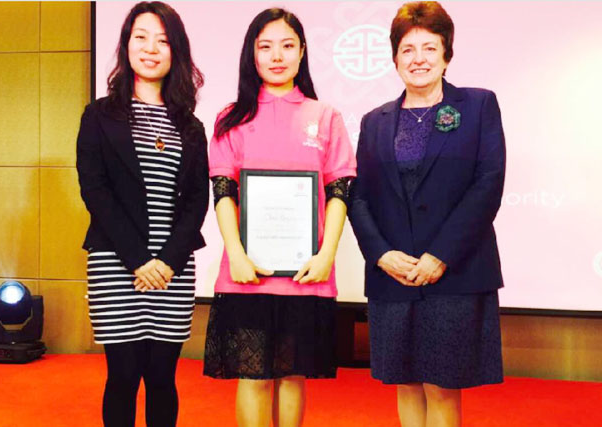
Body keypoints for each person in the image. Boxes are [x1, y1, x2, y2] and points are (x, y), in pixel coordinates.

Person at [348, 2, 505, 426]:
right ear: (395, 58)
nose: (418, 59)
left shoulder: (478, 106)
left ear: (446, 55)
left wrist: (441, 255)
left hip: (454, 274)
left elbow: (488, 184)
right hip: (394, 275)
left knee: (442, 387)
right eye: (408, 49)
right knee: (405, 383)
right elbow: (359, 196)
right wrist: (381, 255)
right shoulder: (374, 121)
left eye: (429, 48)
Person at [202, 8, 356, 427]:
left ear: (302, 52)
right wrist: (236, 255)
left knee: (292, 376)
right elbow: (223, 191)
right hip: (247, 271)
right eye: (265, 46)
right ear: (251, 54)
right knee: (252, 377)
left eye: (287, 46)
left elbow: (339, 191)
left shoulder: (325, 116)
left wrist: (326, 255)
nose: (276, 56)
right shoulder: (231, 118)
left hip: (306, 274)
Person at [76, 2, 208, 425]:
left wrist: (166, 262)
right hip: (117, 263)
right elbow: (95, 190)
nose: (151, 48)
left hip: (172, 269)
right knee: (122, 377)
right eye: (141, 37)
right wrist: (138, 260)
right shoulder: (99, 116)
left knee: (162, 378)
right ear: (126, 44)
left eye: (163, 40)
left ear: (176, 51)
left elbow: (196, 200)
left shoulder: (190, 125)